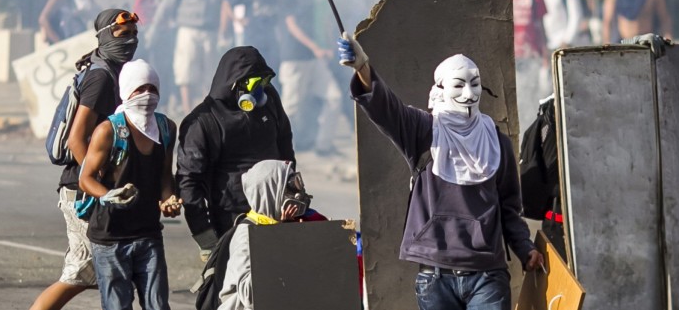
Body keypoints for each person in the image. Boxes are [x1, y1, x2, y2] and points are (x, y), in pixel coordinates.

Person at [337, 36, 544, 310]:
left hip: (488, 276)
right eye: (459, 85)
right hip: (435, 278)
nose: (469, 94)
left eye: (475, 83)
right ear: (441, 89)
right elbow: (387, 108)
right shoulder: (423, 131)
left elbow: (509, 208)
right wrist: (363, 67)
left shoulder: (497, 142)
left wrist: (525, 248)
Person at [31, 8, 141, 310]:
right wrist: (98, 180)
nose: (130, 41)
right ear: (105, 37)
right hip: (83, 190)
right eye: (123, 34)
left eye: (134, 34)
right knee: (79, 274)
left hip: (93, 187)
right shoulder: (101, 78)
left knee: (112, 272)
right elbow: (76, 139)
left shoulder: (113, 73)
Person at [79, 59, 181, 310]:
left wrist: (168, 199)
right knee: (118, 306)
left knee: (158, 305)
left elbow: (165, 175)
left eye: (152, 89)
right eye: (140, 89)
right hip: (111, 236)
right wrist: (109, 195)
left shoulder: (166, 128)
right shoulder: (109, 130)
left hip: (148, 232)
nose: (147, 95)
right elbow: (86, 178)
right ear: (126, 92)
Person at [177, 46, 295, 262]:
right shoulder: (203, 122)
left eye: (264, 82)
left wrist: (292, 190)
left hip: (277, 212)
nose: (261, 90)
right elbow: (189, 182)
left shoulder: (269, 100)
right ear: (234, 83)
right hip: (232, 218)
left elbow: (285, 144)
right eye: (254, 84)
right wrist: (205, 237)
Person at [217, 160, 325, 310]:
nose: (298, 195)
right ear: (270, 193)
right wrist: (281, 239)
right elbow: (250, 297)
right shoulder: (246, 234)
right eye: (290, 188)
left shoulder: (284, 226)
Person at [277, 0, 335, 154]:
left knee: (333, 98)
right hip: (294, 58)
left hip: (314, 59)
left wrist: (326, 45)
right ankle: (282, 150)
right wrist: (315, 47)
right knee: (291, 108)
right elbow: (292, 26)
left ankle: (323, 146)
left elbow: (321, 21)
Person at [151, 0, 222, 114]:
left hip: (210, 29)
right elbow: (169, 1)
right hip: (188, 28)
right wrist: (155, 27)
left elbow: (221, 0)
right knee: (185, 71)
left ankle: (209, 109)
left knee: (210, 72)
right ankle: (187, 109)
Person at [511, 0, 549, 123]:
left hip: (531, 56)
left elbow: (540, 27)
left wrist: (545, 55)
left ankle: (530, 127)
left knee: (532, 96)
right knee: (516, 96)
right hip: (511, 57)